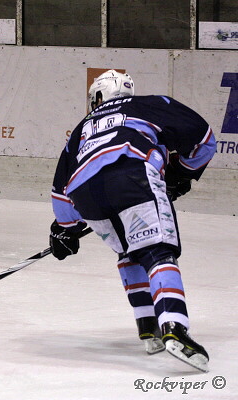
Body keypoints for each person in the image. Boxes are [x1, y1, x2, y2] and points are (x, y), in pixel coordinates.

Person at [49, 70, 215, 372]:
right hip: (131, 176)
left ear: (97, 98)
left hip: (84, 193)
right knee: (156, 251)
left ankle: (148, 328)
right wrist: (182, 173)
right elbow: (204, 138)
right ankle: (174, 327)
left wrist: (65, 229)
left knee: (129, 251)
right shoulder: (148, 104)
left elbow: (61, 188)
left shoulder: (81, 129)